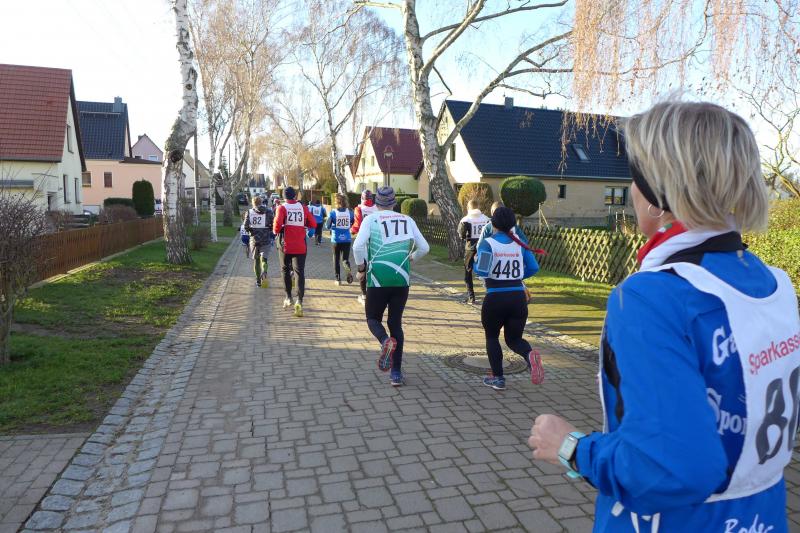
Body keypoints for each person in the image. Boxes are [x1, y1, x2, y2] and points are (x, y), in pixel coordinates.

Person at [528, 101, 800, 533]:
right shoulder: (774, 284)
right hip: (761, 518)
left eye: (633, 178)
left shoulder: (650, 298)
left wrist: (572, 448)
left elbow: (668, 468)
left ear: (657, 194)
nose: (630, 190)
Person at [353, 186, 429, 386]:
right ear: (394, 203)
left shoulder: (371, 220)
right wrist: (412, 258)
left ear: (376, 203)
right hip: (401, 279)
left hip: (378, 278)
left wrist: (361, 267)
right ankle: (396, 373)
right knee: (396, 324)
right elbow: (425, 247)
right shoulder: (407, 220)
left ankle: (385, 341)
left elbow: (357, 246)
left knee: (372, 318)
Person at [474, 206, 544, 390]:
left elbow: (482, 271)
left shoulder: (488, 243)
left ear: (493, 224)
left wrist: (475, 263)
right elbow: (534, 267)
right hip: (517, 298)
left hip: (495, 297)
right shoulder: (520, 243)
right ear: (513, 224)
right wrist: (517, 276)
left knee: (492, 337)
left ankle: (498, 378)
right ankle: (529, 355)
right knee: (514, 340)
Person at [273, 186, 316, 317]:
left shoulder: (282, 208)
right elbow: (313, 224)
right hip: (300, 246)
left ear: (284, 196)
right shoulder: (303, 208)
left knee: (285, 270)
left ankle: (288, 297)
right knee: (299, 272)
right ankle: (299, 301)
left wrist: (281, 227)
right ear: (295, 196)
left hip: (285, 246)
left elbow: (276, 228)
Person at [458, 199, 491, 304]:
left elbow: (461, 235)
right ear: (478, 207)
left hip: (470, 249)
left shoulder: (465, 220)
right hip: (484, 248)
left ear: (468, 207)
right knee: (485, 272)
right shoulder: (486, 219)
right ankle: (489, 296)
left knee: (468, 272)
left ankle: (471, 297)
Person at [351, 190, 377, 305]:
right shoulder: (377, 209)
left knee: (362, 269)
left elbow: (357, 226)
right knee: (374, 268)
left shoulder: (359, 209)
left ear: (362, 198)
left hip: (363, 242)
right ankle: (375, 294)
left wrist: (351, 230)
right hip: (376, 242)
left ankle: (364, 295)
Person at [244, 196, 274, 287]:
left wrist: (251, 231)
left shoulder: (249, 212)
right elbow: (273, 224)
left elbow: (245, 226)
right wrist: (269, 229)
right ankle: (264, 270)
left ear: (253, 203)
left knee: (256, 261)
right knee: (264, 259)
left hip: (254, 239)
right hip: (265, 238)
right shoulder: (269, 211)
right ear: (261, 202)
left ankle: (258, 281)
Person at [325, 194, 354, 285]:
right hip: (347, 239)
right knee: (345, 259)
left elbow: (327, 226)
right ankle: (347, 268)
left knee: (336, 259)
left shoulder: (333, 213)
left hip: (336, 239)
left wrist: (333, 226)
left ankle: (338, 279)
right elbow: (353, 222)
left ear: (336, 202)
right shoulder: (350, 212)